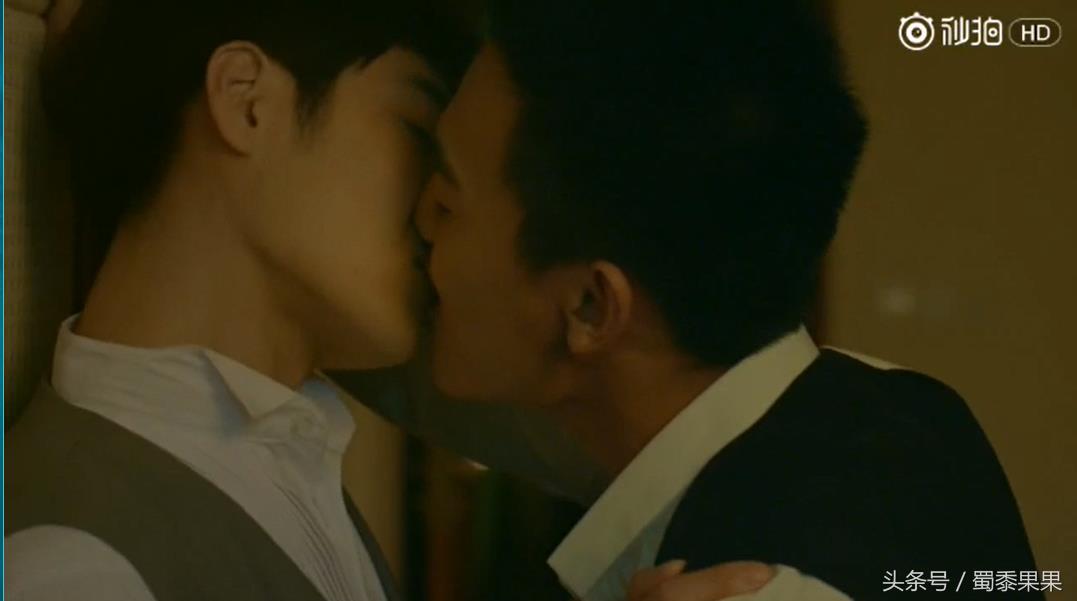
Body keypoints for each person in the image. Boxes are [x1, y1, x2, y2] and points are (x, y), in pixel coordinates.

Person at [5, 1, 772, 600]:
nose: (439, 205)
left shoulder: (284, 455)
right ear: (246, 100)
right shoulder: (72, 566)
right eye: (415, 128)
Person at [410, 0, 1043, 599]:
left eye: (449, 202)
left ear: (590, 307)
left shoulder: (753, 573)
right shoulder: (913, 412)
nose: (418, 219)